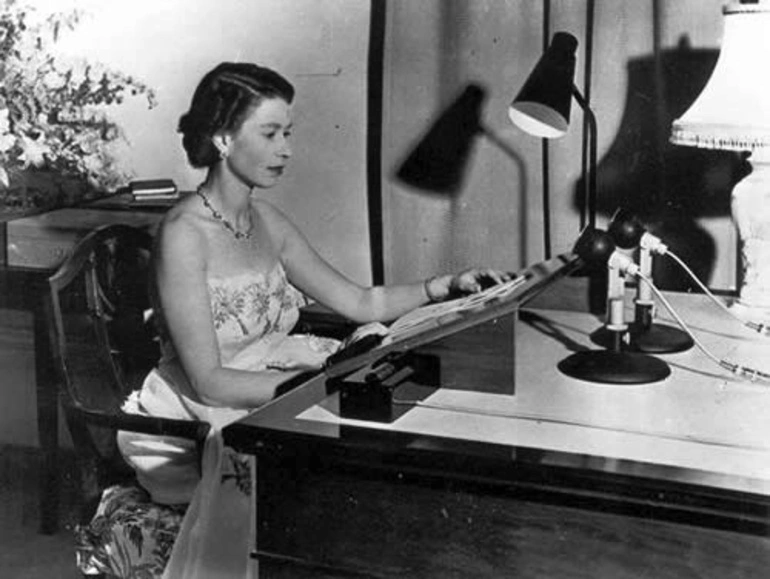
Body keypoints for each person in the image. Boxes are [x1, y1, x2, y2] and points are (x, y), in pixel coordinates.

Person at [116, 62, 511, 578]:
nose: (287, 149)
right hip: (202, 405)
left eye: (289, 133)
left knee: (383, 398)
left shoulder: (269, 222)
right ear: (222, 139)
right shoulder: (182, 234)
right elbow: (210, 383)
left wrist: (444, 286)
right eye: (270, 133)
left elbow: (361, 303)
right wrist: (317, 384)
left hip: (277, 373)